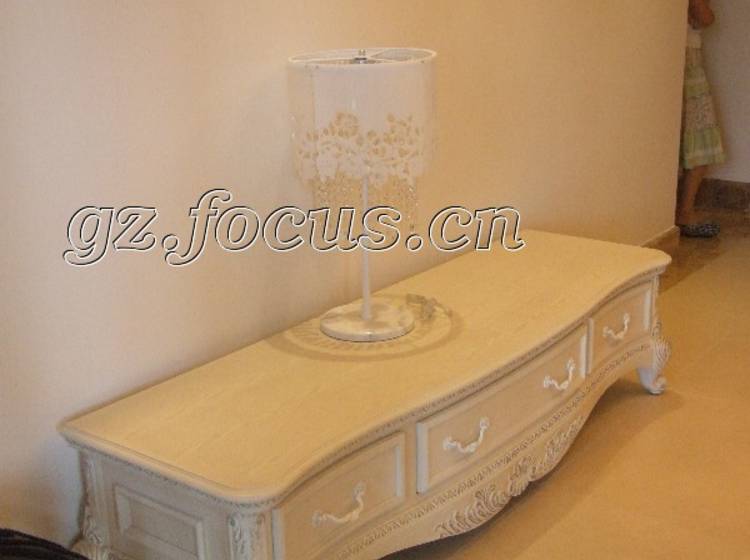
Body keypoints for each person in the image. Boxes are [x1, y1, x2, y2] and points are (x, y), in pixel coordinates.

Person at [676, 0, 726, 238]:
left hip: (673, 54)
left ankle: (674, 212)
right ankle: (685, 212)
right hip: (688, 57)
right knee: (700, 134)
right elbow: (702, 14)